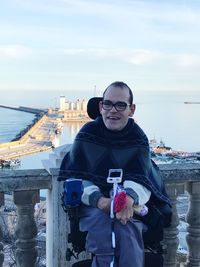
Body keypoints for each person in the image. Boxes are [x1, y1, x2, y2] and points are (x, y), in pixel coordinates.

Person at [59, 81, 171, 267]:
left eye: (120, 105)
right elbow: (77, 176)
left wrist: (127, 199)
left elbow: (142, 177)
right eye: (108, 104)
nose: (113, 110)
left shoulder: (138, 138)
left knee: (127, 227)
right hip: (93, 204)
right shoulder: (87, 134)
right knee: (101, 226)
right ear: (101, 106)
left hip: (131, 205)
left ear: (131, 109)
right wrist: (99, 200)